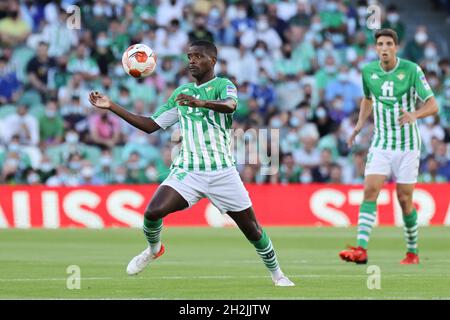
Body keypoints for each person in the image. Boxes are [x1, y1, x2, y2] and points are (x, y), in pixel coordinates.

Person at [88, 40, 294, 286]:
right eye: (189, 57)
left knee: (252, 230)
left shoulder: (223, 85)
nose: (192, 61)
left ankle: (277, 275)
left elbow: (230, 106)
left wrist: (202, 103)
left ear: (212, 61)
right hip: (188, 171)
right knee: (152, 212)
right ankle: (154, 250)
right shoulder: (180, 94)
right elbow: (151, 125)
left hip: (222, 173)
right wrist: (111, 106)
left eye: (197, 56)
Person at [339, 29, 439, 265]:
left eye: (388, 44)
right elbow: (367, 99)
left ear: (396, 47)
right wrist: (358, 126)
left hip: (408, 145)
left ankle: (412, 252)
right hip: (381, 142)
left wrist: (416, 114)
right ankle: (361, 249)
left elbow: (433, 104)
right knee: (370, 191)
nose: (384, 48)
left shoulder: (412, 70)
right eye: (380, 44)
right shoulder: (368, 71)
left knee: (404, 200)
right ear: (376, 48)